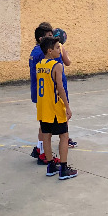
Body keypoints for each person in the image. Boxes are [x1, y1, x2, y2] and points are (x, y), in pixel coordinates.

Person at [29, 22, 74, 162]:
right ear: (43, 40)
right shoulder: (45, 56)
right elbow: (62, 67)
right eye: (50, 36)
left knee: (44, 124)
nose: (53, 38)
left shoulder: (34, 52)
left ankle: (40, 148)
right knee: (50, 127)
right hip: (50, 94)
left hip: (41, 93)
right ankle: (44, 152)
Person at [34, 36, 78, 180]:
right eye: (58, 47)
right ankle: (64, 169)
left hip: (42, 107)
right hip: (54, 107)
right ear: (49, 50)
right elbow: (60, 87)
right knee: (64, 136)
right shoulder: (56, 66)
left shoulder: (39, 65)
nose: (60, 50)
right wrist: (67, 106)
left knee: (46, 136)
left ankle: (51, 166)